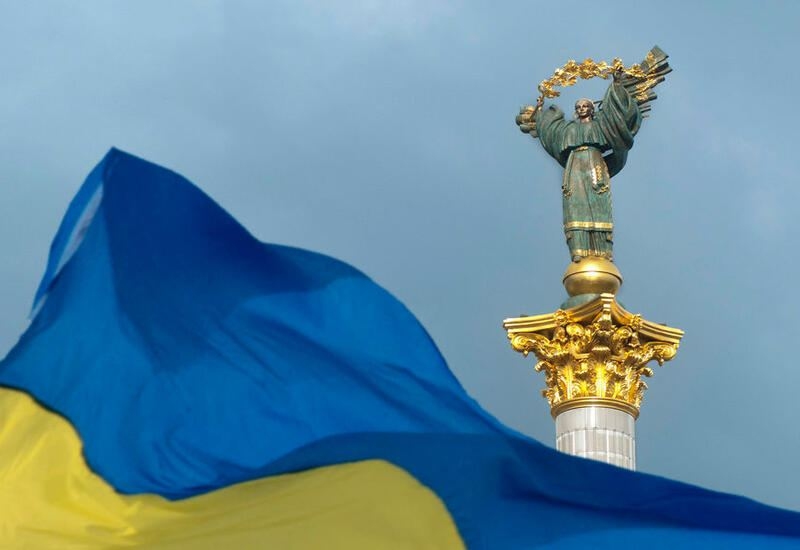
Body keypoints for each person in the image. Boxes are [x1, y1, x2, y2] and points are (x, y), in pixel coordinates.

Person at [521, 77, 642, 262]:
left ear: (592, 109)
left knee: (598, 202)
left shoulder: (600, 126)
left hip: (595, 164)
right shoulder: (568, 129)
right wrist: (539, 114)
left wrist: (617, 84)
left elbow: (617, 119)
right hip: (575, 166)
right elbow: (551, 131)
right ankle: (578, 248)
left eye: (585, 106)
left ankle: (603, 250)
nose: (581, 109)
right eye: (578, 107)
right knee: (575, 205)